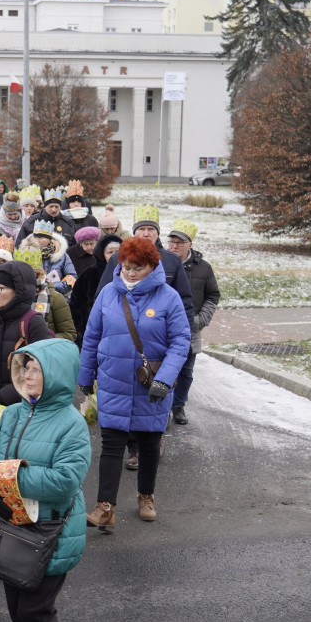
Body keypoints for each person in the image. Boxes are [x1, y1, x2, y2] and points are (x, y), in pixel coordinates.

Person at [77, 237, 191, 530]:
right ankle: (105, 507)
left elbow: (181, 342)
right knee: (112, 444)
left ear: (153, 266)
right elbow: (91, 337)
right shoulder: (108, 295)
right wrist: (85, 376)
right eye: (125, 267)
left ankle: (146, 496)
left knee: (150, 444)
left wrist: (164, 381)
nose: (129, 273)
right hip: (113, 382)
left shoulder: (169, 297)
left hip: (151, 385)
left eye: (137, 268)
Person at [0, 338, 91, 622]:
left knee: (34, 614)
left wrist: (8, 479)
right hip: (11, 524)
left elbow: (65, 480)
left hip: (50, 532)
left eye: (36, 370)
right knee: (17, 610)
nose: (26, 375)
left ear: (56, 374)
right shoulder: (13, 412)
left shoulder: (71, 424)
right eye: (25, 368)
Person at [0, 261, 54, 408]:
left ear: (18, 291)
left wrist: (2, 397)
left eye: (0, 288)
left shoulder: (33, 323)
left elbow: (41, 370)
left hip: (24, 408)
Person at [166, 219, 221, 426]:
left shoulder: (203, 268)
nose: (174, 246)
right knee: (164, 368)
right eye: (171, 241)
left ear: (190, 244)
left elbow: (212, 295)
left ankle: (178, 405)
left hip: (191, 327)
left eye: (179, 242)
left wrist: (200, 320)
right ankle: (163, 406)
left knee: (186, 371)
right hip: (164, 328)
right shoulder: (160, 262)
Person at [14, 241, 77, 343]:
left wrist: (44, 339)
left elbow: (69, 333)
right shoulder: (9, 296)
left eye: (29, 273)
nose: (23, 277)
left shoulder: (55, 298)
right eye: (19, 273)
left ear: (38, 274)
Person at [70, 234, 123, 348]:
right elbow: (75, 306)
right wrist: (80, 334)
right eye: (110, 252)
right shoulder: (88, 274)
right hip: (92, 331)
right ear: (101, 254)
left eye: (118, 252)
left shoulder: (129, 275)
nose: (115, 256)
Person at [34, 221, 77, 297]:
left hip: (57, 297)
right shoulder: (28, 254)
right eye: (35, 237)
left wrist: (50, 286)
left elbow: (72, 277)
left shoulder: (62, 255)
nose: (37, 240)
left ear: (49, 239)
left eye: (40, 237)